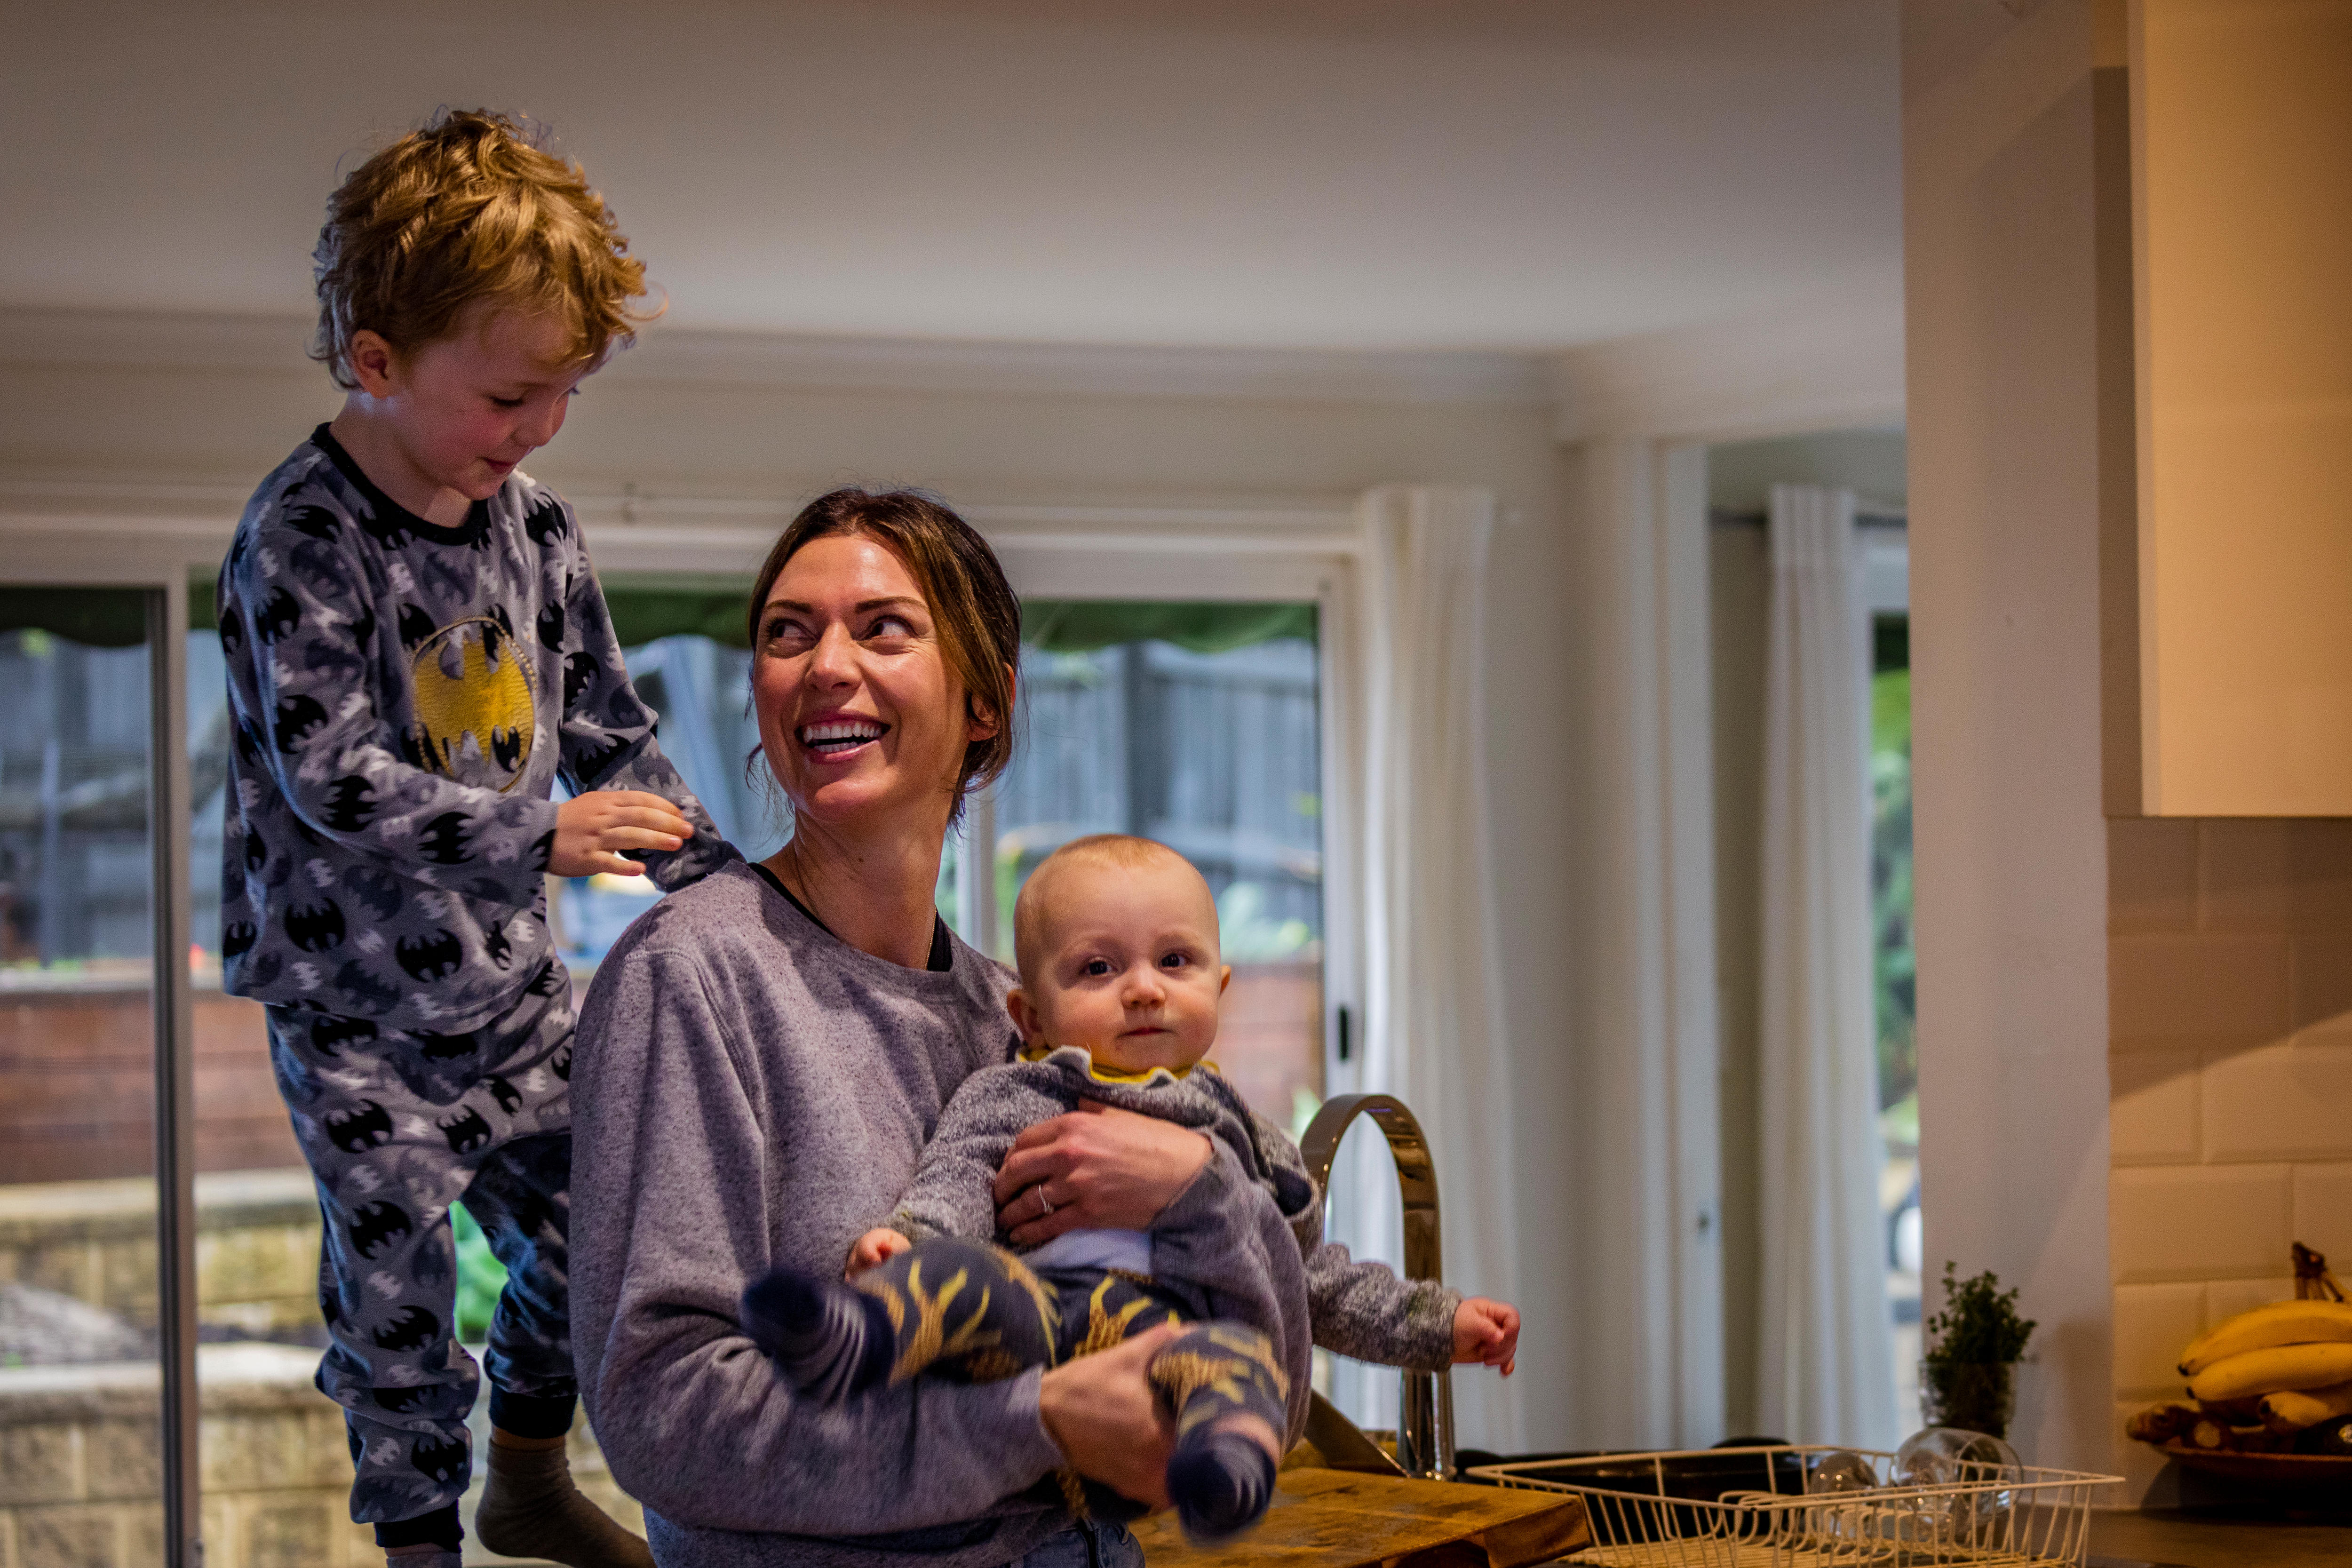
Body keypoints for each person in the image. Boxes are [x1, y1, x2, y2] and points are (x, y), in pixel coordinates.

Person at [569, 490, 1315, 1568]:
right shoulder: (692, 973)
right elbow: (663, 1411)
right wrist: (1033, 1422)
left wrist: (1204, 1192)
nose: (825, 663)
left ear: (985, 702)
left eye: (883, 627)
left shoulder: (1016, 1015)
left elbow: (1261, 1399)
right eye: (787, 631)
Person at [217, 109, 734, 1568]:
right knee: (395, 1308)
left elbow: (614, 740)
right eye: (511, 395)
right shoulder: (301, 536)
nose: (538, 430)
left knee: (601, 1245)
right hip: (359, 1018)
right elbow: (330, 775)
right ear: (375, 360)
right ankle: (420, 1548)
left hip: (513, 999)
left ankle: (527, 1474)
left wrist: (743, 894)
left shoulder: (542, 530)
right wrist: (544, 832)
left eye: (564, 393)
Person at [741, 834, 1520, 1543]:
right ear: (1030, 1014)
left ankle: (1224, 1473)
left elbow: (1312, 1273)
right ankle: (857, 1332)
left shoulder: (1241, 1130)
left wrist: (1437, 1323)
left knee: (1235, 1365)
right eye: (1098, 968)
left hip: (1171, 1356)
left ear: (1220, 985)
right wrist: (906, 1241)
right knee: (960, 1280)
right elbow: (958, 1182)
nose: (1143, 989)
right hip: (1043, 1345)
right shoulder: (1016, 1091)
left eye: (1174, 962)